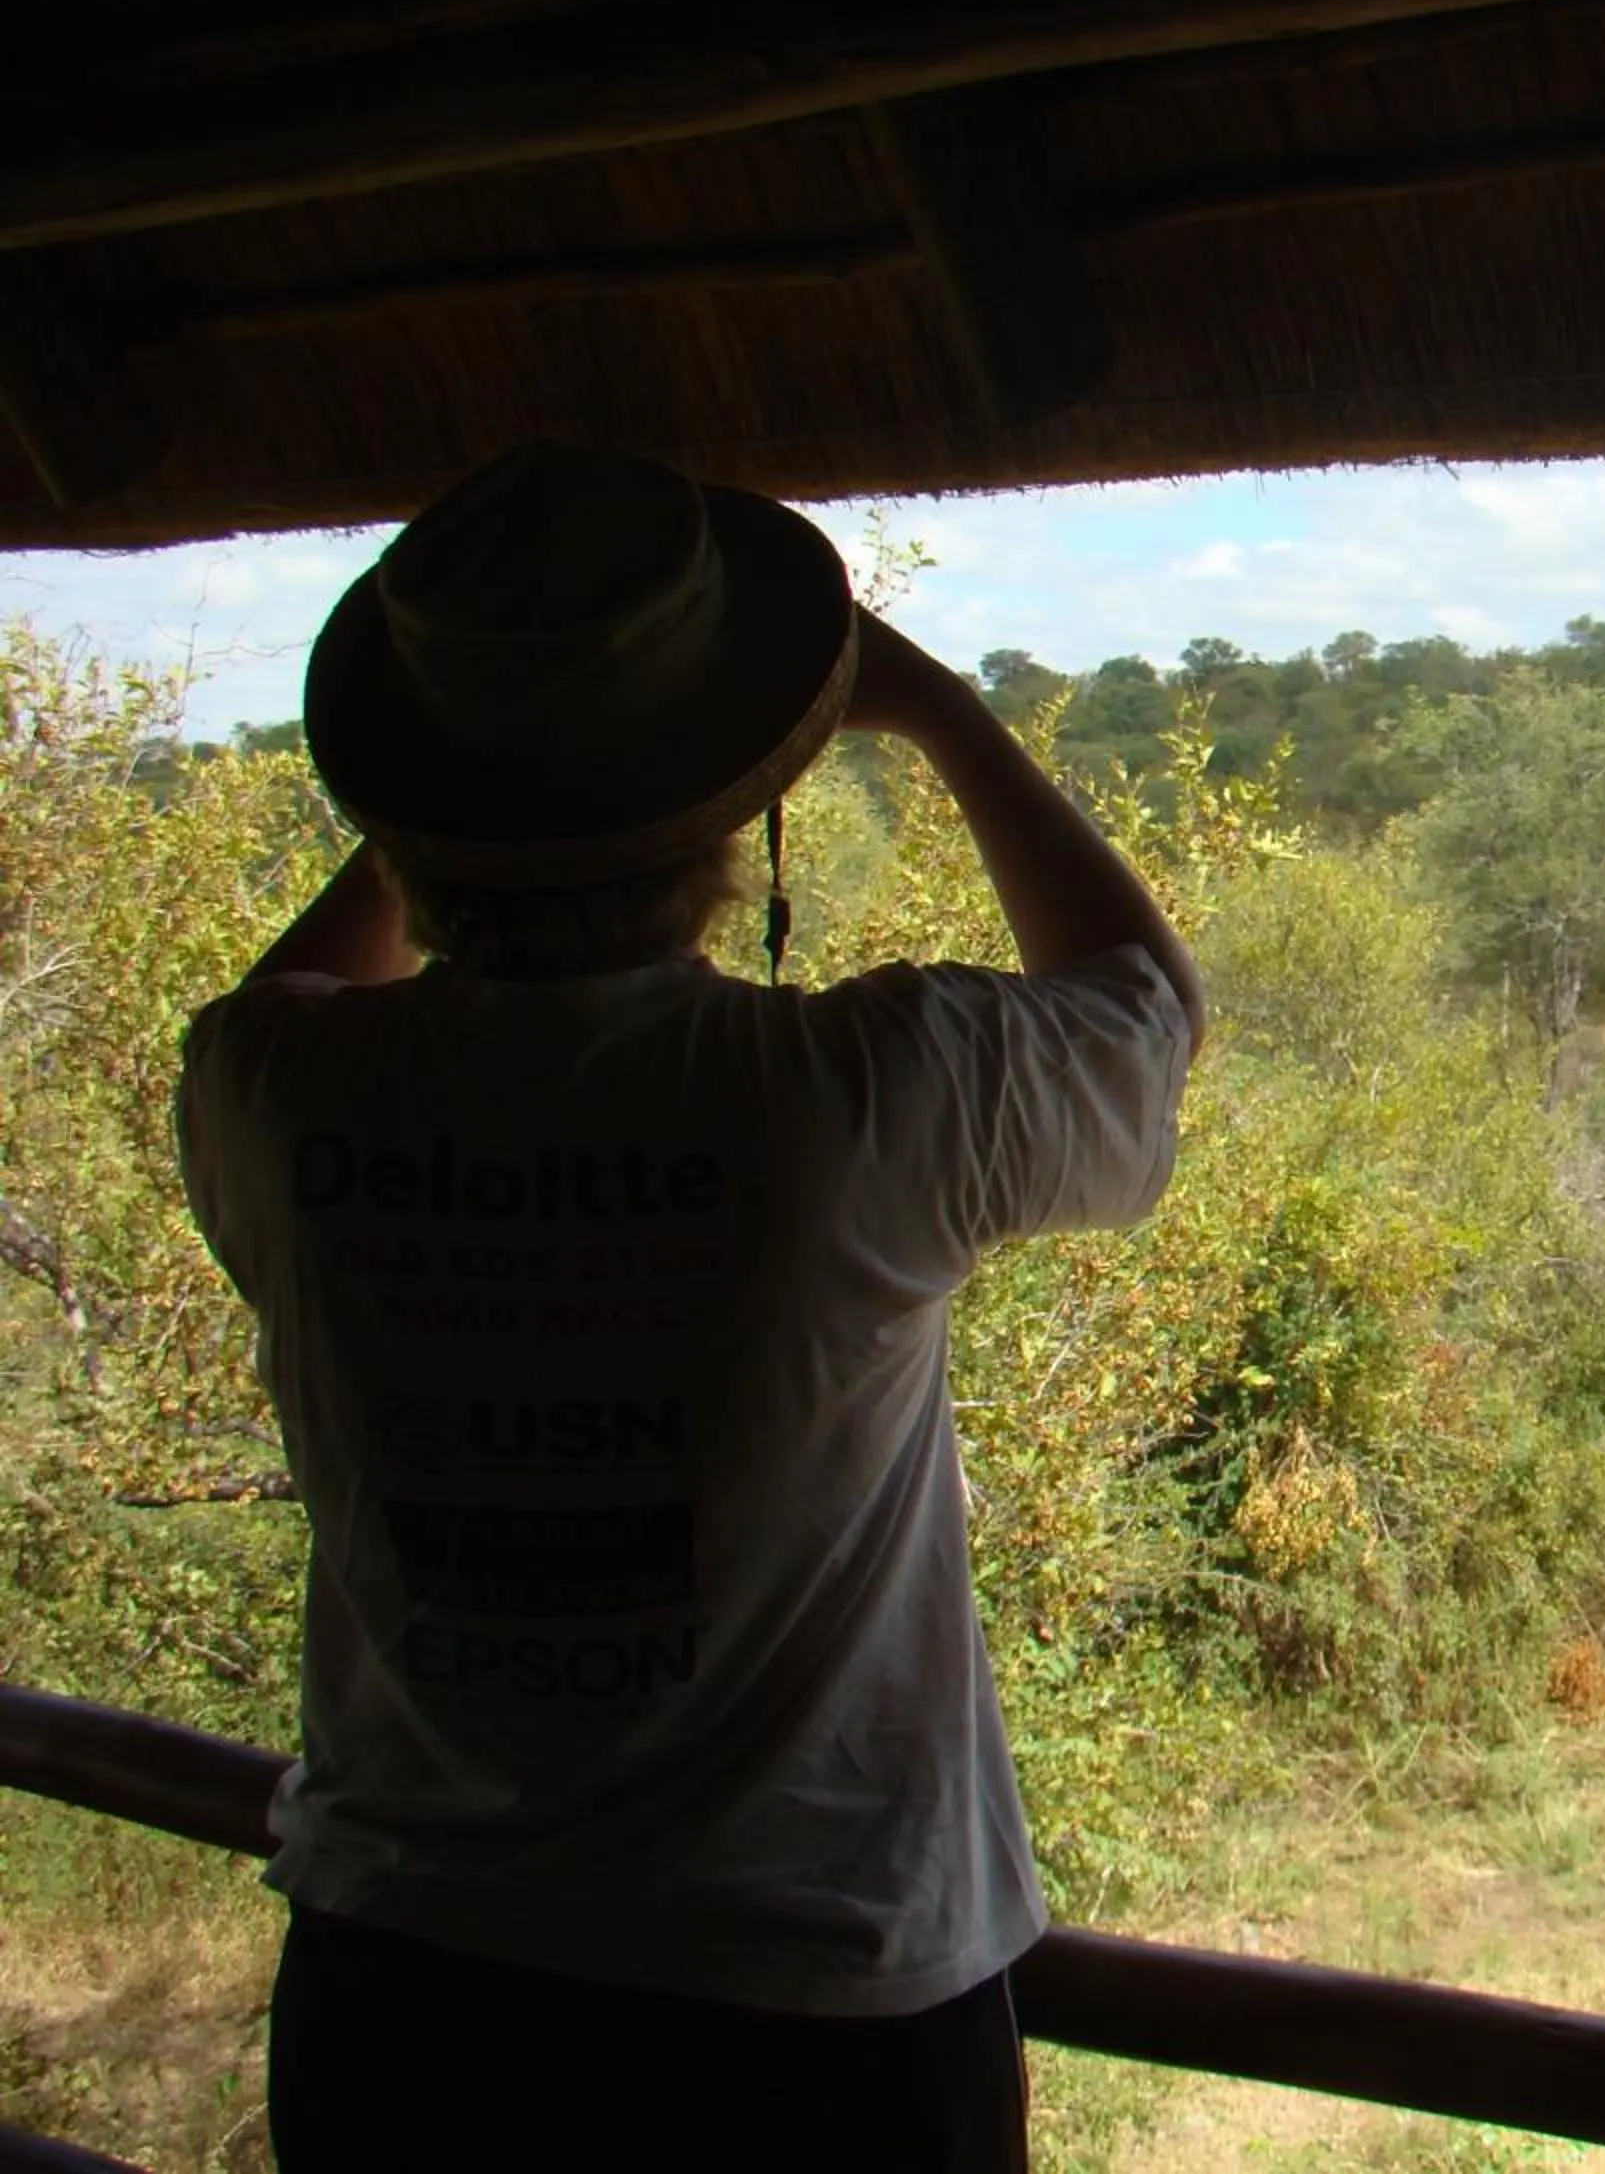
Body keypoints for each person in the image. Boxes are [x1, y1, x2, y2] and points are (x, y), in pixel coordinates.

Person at [174, 444, 1204, 2172]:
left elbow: (295, 984)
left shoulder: (273, 1093)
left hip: (401, 1994)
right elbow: (1144, 1009)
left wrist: (455, 805)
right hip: (809, 2010)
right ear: (733, 812)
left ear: (412, 810)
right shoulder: (858, 1094)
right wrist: (935, 709)